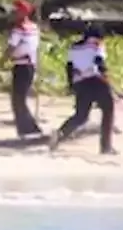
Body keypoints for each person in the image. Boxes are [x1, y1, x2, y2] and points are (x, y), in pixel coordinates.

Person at [50, 24, 117, 155]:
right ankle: (106, 146)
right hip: (97, 81)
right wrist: (107, 78)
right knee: (108, 110)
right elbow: (100, 63)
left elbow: (69, 67)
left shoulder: (74, 47)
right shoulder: (97, 45)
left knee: (81, 115)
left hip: (80, 83)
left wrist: (71, 85)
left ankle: (60, 134)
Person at [0, 0, 42, 138]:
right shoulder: (34, 28)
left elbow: (10, 49)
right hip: (29, 64)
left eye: (15, 10)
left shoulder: (19, 29)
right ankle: (27, 128)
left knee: (18, 100)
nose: (13, 13)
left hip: (22, 66)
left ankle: (29, 129)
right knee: (20, 98)